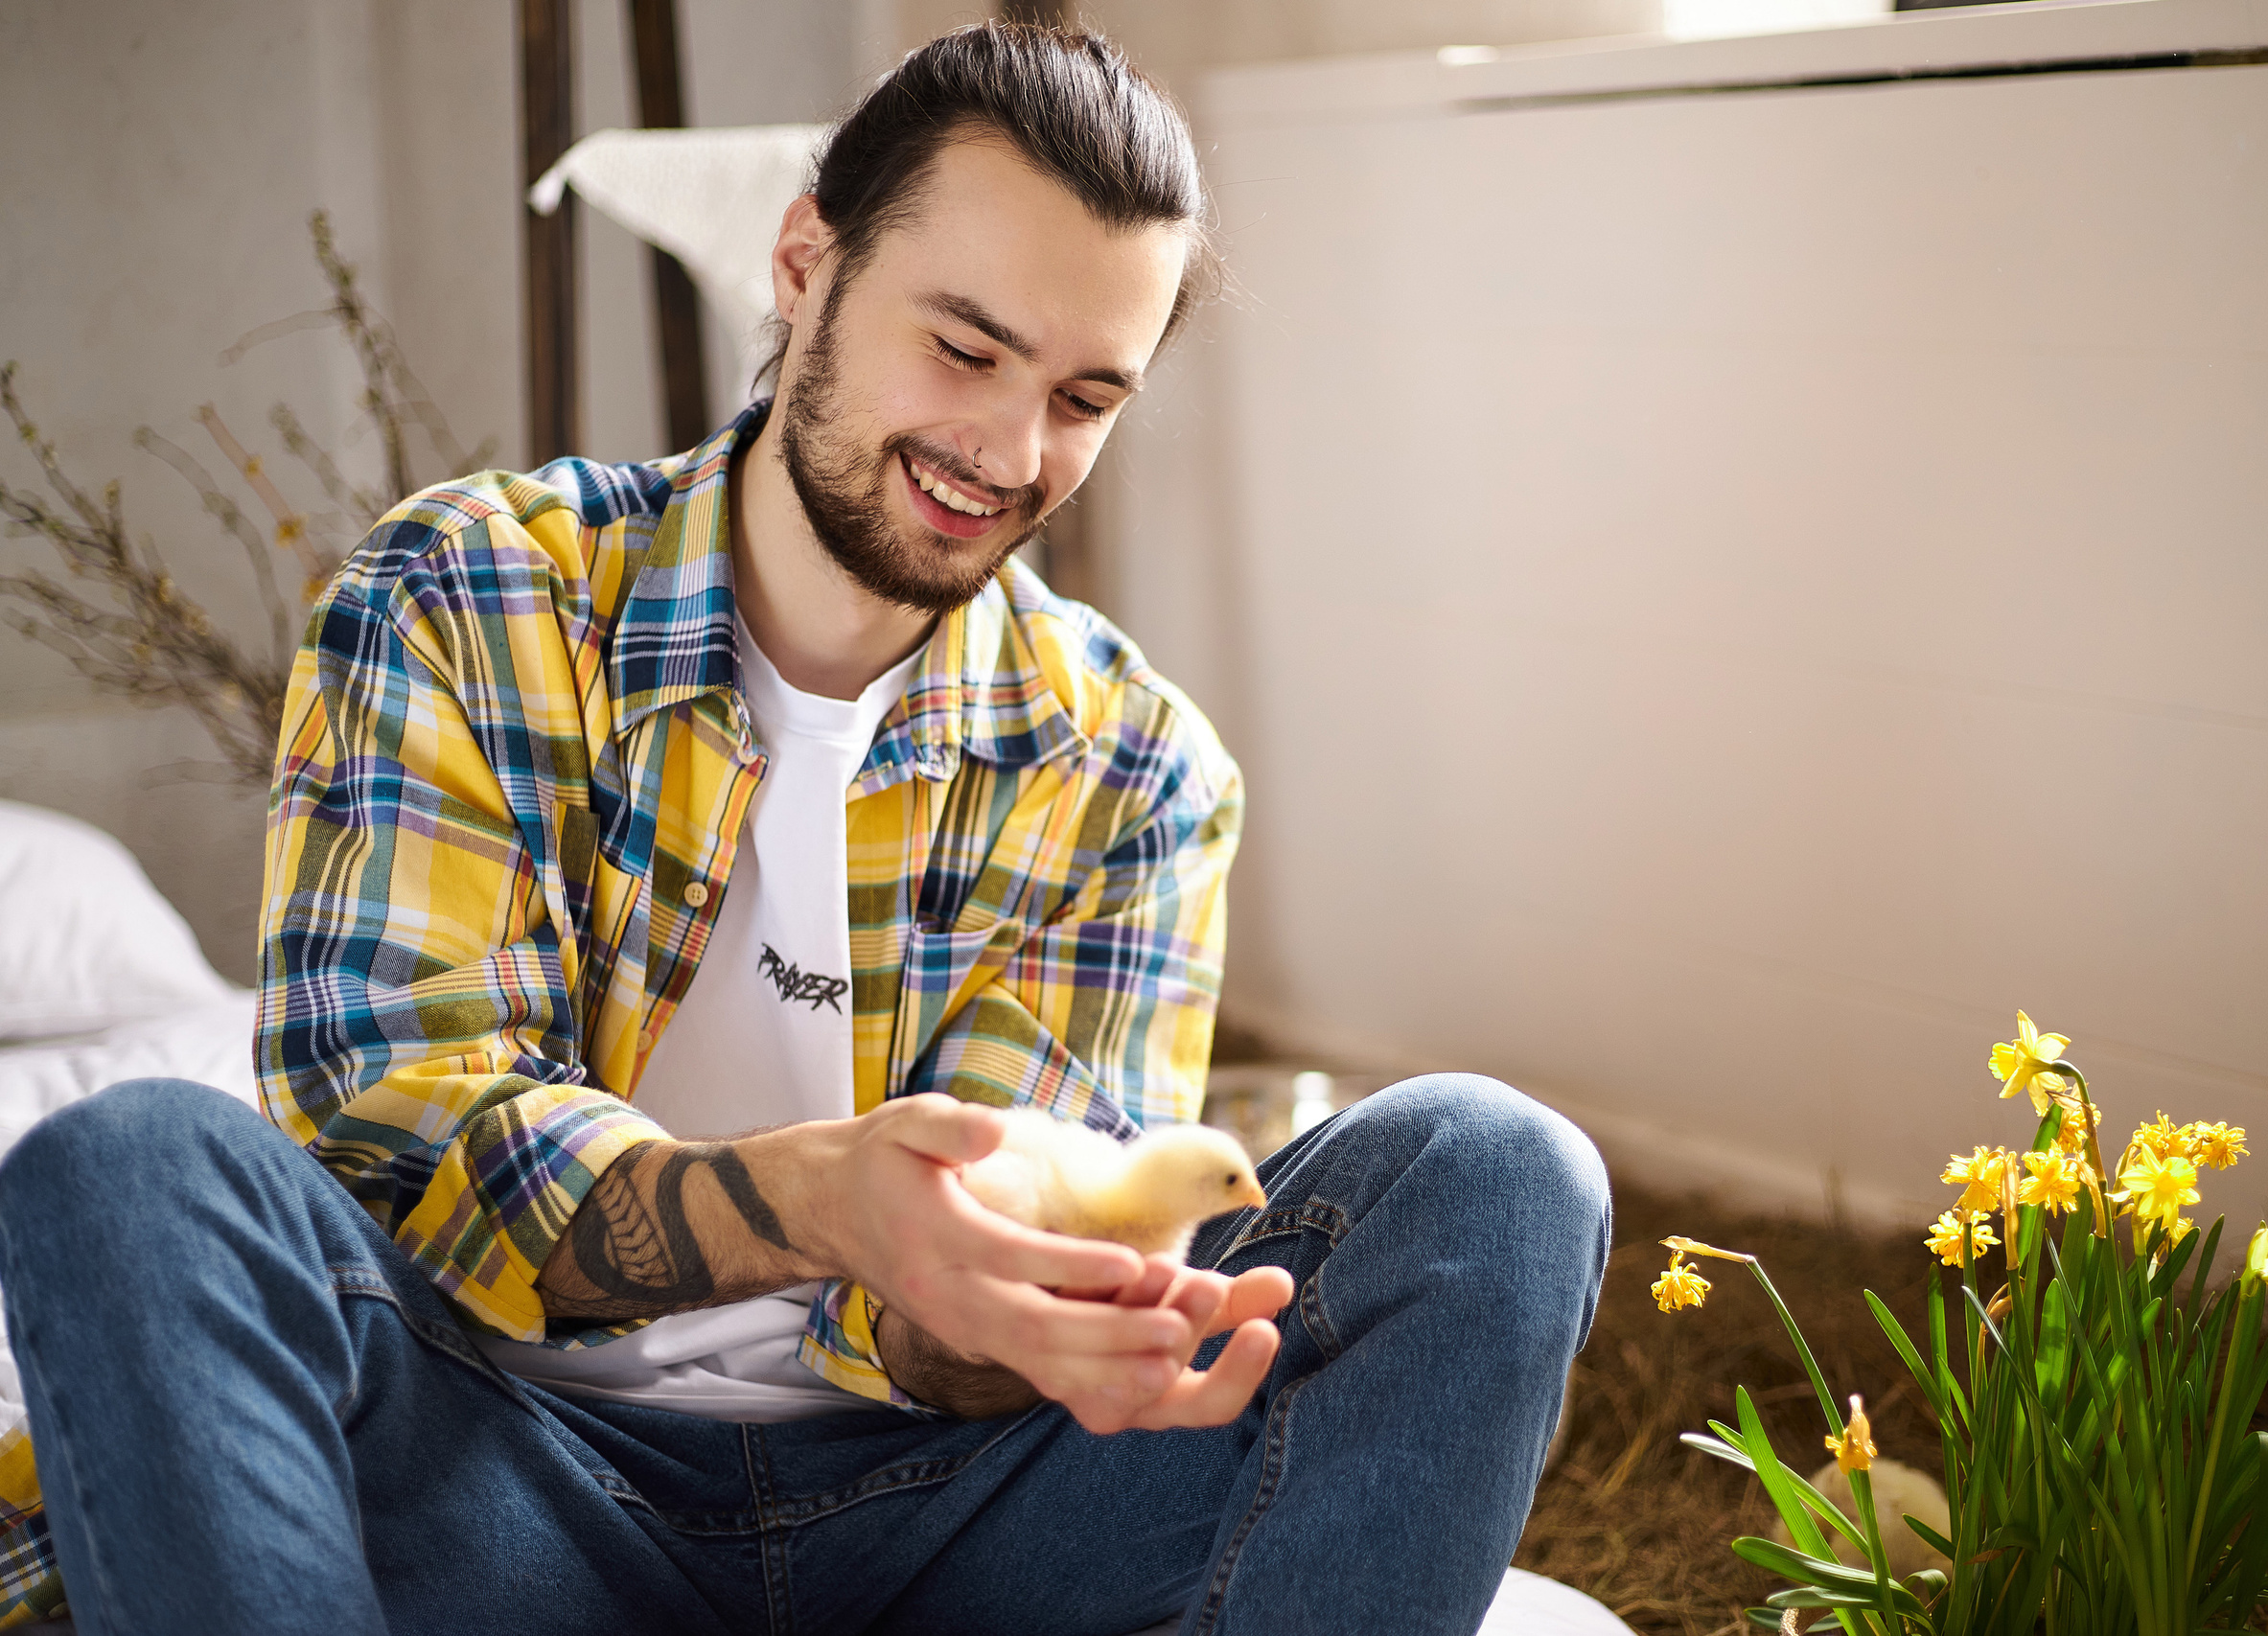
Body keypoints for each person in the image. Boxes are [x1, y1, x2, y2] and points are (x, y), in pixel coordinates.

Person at [0, 22, 1610, 1634]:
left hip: (955, 1521)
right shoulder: (470, 595)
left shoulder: (1134, 768)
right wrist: (830, 1198)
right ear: (804, 264)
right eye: (965, 350)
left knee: (1499, 1171)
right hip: (506, 1482)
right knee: (129, 1167)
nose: (1010, 452)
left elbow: (963, 1342)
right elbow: (404, 1139)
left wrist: (1027, 1313)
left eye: (1084, 396)